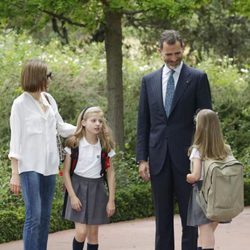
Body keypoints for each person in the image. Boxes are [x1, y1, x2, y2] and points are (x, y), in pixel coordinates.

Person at [136, 30, 212, 250]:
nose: (173, 58)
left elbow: (206, 122)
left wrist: (202, 156)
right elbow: (144, 123)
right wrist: (142, 159)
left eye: (177, 53)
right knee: (162, 218)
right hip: (158, 158)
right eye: (168, 54)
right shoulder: (148, 81)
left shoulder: (197, 78)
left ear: (183, 48)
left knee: (191, 218)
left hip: (189, 160)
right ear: (159, 51)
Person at [9, 59, 75, 250]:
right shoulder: (19, 104)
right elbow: (15, 141)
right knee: (34, 215)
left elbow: (61, 128)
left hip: (49, 166)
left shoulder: (49, 99)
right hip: (29, 167)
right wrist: (15, 174)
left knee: (45, 216)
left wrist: (82, 127)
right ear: (38, 77)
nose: (50, 79)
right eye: (48, 75)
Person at [63, 106, 116, 250]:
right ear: (84, 122)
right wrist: (72, 196)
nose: (98, 123)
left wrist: (111, 200)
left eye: (100, 121)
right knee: (81, 232)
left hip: (97, 189)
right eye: (94, 120)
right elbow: (66, 172)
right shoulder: (73, 144)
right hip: (77, 188)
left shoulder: (105, 146)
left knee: (93, 234)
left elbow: (110, 174)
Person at [186, 109, 231, 250]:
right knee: (208, 231)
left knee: (205, 232)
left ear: (199, 127)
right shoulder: (225, 149)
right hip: (221, 193)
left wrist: (188, 177)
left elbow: (195, 175)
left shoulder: (197, 150)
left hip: (203, 193)